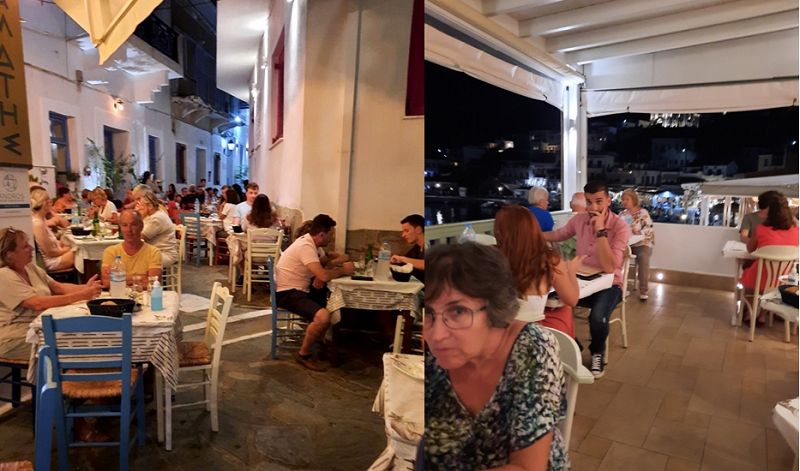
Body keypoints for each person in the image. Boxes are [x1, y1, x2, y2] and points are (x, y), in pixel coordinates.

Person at [424, 242, 568, 471]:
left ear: (494, 308)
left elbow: (528, 468)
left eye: (458, 311)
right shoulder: (431, 357)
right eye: (428, 313)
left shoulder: (533, 349)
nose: (436, 334)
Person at [544, 181, 629, 379]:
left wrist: (601, 231)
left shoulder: (620, 227)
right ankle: (574, 345)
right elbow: (558, 235)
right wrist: (532, 234)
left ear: (608, 201)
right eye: (589, 202)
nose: (593, 208)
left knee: (597, 317)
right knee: (554, 302)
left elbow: (609, 268)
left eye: (599, 201)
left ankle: (597, 352)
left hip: (610, 284)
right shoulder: (580, 220)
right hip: (582, 280)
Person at [0, 227, 102, 359]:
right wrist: (82, 295)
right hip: (14, 336)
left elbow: (59, 288)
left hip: (39, 325)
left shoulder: (29, 267)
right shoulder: (4, 275)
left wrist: (88, 287)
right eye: (25, 246)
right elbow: (37, 303)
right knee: (73, 341)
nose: (32, 248)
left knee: (80, 332)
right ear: (10, 254)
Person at [275, 215, 354, 371]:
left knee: (330, 303)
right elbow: (323, 275)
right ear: (322, 234)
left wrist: (328, 261)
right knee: (323, 316)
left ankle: (318, 342)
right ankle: (304, 354)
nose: (332, 238)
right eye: (331, 234)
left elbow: (318, 266)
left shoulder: (310, 244)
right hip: (288, 292)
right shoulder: (306, 247)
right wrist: (344, 270)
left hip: (299, 288)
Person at [494, 205, 583, 338]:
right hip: (532, 334)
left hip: (496, 331)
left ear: (499, 231)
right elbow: (572, 300)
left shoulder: (491, 256)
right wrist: (571, 272)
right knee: (565, 310)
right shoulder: (549, 259)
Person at [740, 194, 800, 322]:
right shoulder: (796, 231)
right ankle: (762, 315)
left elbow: (750, 249)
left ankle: (750, 313)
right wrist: (796, 222)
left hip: (759, 279)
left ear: (770, 213)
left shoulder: (761, 229)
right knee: (770, 285)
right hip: (783, 282)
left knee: (749, 275)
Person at [101, 210, 162, 291]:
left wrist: (118, 278)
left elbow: (153, 283)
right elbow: (106, 283)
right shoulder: (111, 252)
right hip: (118, 297)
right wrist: (140, 277)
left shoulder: (153, 252)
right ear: (120, 228)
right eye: (125, 225)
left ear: (141, 226)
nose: (129, 230)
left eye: (133, 224)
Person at [620, 190, 655, 301]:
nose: (624, 202)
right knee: (616, 257)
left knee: (643, 258)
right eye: (623, 200)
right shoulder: (622, 214)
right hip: (627, 244)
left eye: (627, 199)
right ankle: (621, 288)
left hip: (642, 244)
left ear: (634, 200)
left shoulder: (643, 213)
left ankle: (643, 289)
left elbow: (649, 229)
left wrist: (639, 232)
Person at [30, 188, 76, 272]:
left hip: (54, 256)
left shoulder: (41, 220)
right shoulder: (38, 224)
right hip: (51, 261)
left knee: (76, 248)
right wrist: (65, 250)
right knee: (80, 253)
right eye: (50, 202)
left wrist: (65, 248)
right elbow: (50, 252)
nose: (52, 205)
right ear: (45, 205)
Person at [137, 191, 178, 266]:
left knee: (136, 259)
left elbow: (139, 237)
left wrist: (139, 216)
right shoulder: (153, 213)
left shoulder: (157, 218)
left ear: (150, 206)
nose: (138, 208)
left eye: (141, 205)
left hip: (165, 254)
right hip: (155, 250)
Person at [390, 214, 425, 283]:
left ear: (418, 229)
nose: (403, 235)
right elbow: (407, 261)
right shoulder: (416, 248)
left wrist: (402, 259)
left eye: (406, 231)